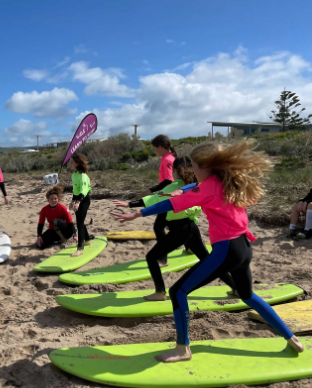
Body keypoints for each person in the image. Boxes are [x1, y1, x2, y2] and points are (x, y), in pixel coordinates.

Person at [111, 141, 303, 363]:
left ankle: (183, 349)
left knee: (178, 292)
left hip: (226, 250)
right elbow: (190, 191)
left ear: (205, 166)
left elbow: (175, 203)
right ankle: (291, 337)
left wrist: (139, 213)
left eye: (193, 165)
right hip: (243, 247)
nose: (191, 170)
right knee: (248, 295)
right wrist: (184, 189)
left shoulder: (208, 187)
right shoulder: (227, 182)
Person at [113, 157, 236, 301]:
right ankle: (235, 287)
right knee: (207, 259)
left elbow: (155, 199)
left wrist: (130, 205)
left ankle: (160, 292)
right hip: (192, 227)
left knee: (151, 257)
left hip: (180, 230)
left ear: (176, 170)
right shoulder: (194, 184)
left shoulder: (175, 186)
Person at [140, 135, 178, 265]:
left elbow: (168, 180)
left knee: (159, 227)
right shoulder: (168, 157)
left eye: (155, 148)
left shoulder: (167, 159)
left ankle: (163, 257)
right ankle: (190, 248)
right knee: (177, 225)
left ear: (161, 147)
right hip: (169, 195)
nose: (154, 151)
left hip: (167, 196)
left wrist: (150, 191)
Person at [36, 185, 78, 249]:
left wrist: (74, 235)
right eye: (51, 199)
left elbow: (70, 223)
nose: (53, 200)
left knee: (56, 221)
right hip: (54, 231)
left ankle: (63, 239)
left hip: (66, 232)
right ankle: (58, 240)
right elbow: (41, 224)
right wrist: (39, 236)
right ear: (48, 200)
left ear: (58, 199)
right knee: (40, 245)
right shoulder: (44, 210)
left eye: (55, 199)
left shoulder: (63, 208)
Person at [69, 153, 92, 257]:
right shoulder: (74, 175)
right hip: (79, 199)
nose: (70, 163)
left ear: (78, 163)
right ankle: (86, 240)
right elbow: (76, 190)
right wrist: (72, 201)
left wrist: (78, 203)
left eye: (72, 162)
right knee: (80, 221)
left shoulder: (83, 176)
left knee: (79, 223)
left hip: (84, 199)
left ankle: (80, 248)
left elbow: (83, 191)